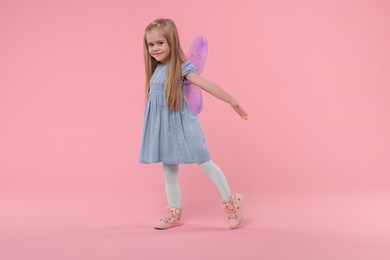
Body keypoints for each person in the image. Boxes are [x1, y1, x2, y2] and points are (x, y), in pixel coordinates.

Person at [139, 18, 248, 230]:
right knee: (169, 170)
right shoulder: (155, 70)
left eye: (160, 43)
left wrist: (232, 101)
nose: (155, 48)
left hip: (183, 126)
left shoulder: (180, 68)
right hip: (165, 130)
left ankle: (232, 200)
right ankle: (174, 212)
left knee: (205, 162)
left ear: (172, 40)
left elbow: (206, 85)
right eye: (150, 44)